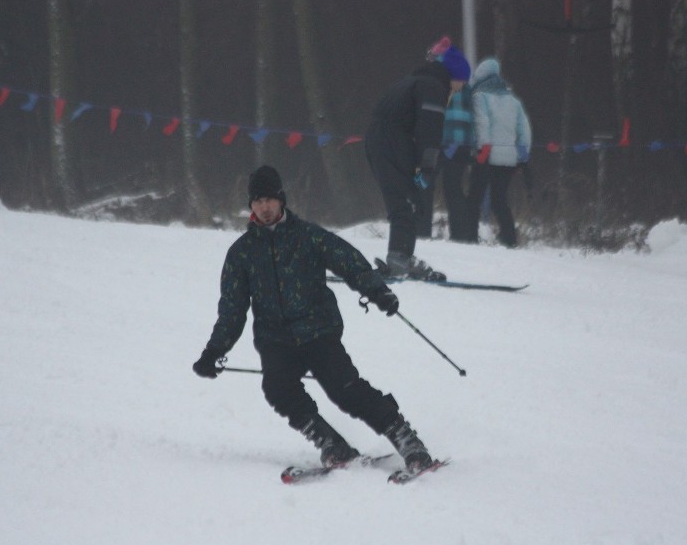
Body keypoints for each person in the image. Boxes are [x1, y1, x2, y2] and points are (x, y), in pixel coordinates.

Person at [192, 165, 435, 473]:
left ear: (281, 200)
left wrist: (378, 292)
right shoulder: (241, 253)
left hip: (318, 331)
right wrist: (214, 351)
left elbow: (350, 263)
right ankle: (331, 444)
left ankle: (407, 440)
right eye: (257, 201)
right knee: (278, 389)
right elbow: (232, 309)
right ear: (251, 206)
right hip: (275, 339)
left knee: (344, 389)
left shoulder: (308, 236)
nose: (264, 207)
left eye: (269, 199)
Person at [365, 44, 472, 280]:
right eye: (462, 81)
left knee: (403, 198)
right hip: (391, 140)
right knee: (407, 200)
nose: (462, 86)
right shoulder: (434, 87)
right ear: (454, 75)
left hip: (377, 139)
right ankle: (400, 259)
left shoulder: (415, 81)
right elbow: (429, 131)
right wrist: (427, 166)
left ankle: (400, 256)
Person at [467, 57, 532, 247]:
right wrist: (522, 157)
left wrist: (482, 148)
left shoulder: (480, 96)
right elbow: (524, 131)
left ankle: (469, 237)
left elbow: (482, 123)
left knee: (475, 197)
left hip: (486, 155)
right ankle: (509, 237)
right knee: (499, 200)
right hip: (508, 159)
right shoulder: (513, 101)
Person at [421, 36, 476, 243]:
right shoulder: (465, 85)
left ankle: (422, 231)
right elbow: (474, 116)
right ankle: (461, 235)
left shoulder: (438, 82)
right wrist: (472, 143)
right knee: (454, 189)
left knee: (425, 185)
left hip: (439, 142)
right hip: (461, 145)